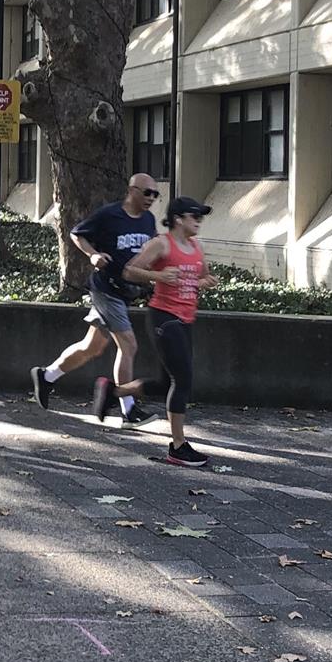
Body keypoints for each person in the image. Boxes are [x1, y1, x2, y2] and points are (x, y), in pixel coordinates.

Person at [30, 175, 161, 425]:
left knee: (92, 347)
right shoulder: (109, 214)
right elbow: (77, 234)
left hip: (125, 292)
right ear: (132, 191)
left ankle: (46, 376)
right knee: (129, 345)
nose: (151, 199)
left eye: (155, 194)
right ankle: (128, 409)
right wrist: (93, 255)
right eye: (147, 193)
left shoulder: (148, 220)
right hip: (105, 290)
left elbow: (151, 248)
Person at [120, 196, 214, 468]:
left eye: (201, 217)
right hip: (164, 317)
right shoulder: (162, 244)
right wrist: (159, 276)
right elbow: (129, 271)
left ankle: (112, 391)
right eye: (195, 216)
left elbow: (202, 276)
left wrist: (206, 281)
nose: (199, 222)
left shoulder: (196, 246)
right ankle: (178, 446)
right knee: (182, 380)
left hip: (186, 318)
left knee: (165, 383)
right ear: (178, 219)